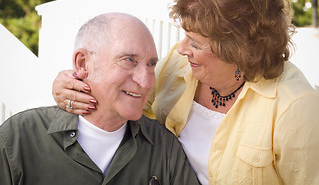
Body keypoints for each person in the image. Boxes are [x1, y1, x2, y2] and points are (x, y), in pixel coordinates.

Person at [52, 0, 319, 184]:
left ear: (238, 50)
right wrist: (71, 85)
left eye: (195, 43)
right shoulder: (181, 67)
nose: (181, 48)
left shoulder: (295, 108)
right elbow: (121, 101)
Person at [0, 12, 200, 185]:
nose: (145, 82)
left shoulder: (164, 147)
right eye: (129, 60)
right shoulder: (18, 138)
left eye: (150, 64)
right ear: (83, 63)